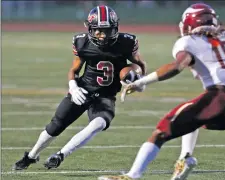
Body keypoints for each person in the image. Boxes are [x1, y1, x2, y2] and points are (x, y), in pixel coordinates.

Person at [98, 3, 225, 180]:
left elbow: (177, 66)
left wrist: (141, 82)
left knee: (159, 133)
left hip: (217, 98)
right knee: (193, 116)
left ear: (190, 24)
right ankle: (185, 157)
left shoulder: (190, 41)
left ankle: (132, 177)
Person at [13, 5, 147, 170]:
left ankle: (61, 154)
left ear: (115, 28)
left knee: (99, 123)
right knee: (55, 125)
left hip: (106, 96)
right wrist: (73, 87)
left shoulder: (126, 42)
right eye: (98, 30)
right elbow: (74, 70)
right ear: (90, 28)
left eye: (107, 30)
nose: (103, 35)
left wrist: (138, 80)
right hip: (84, 90)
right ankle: (32, 156)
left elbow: (139, 65)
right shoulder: (82, 42)